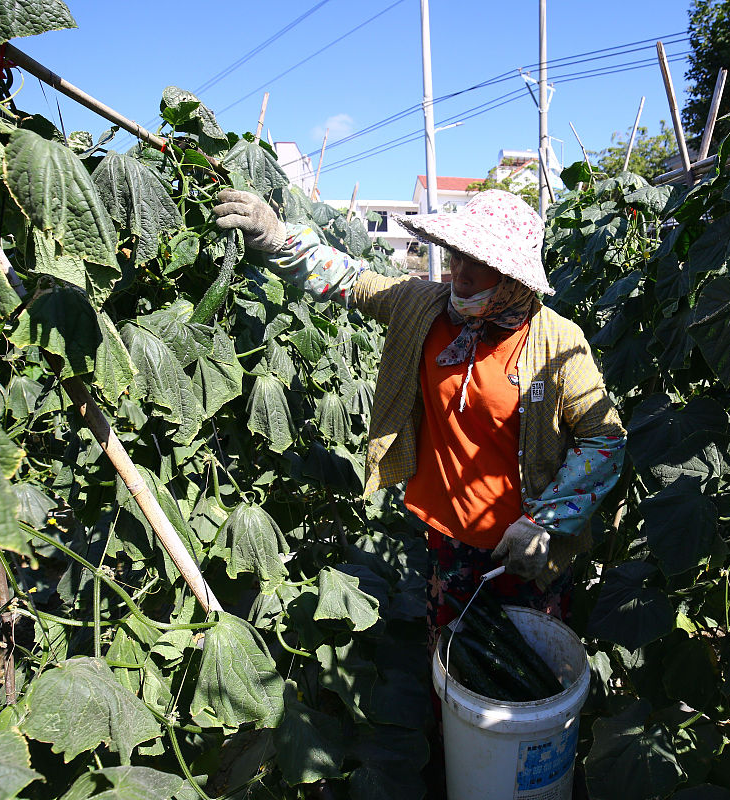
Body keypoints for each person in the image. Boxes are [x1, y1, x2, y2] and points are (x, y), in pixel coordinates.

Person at [212, 187, 625, 632]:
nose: (460, 271)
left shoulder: (557, 341)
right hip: (446, 534)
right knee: (450, 655)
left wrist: (544, 523)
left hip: (521, 549)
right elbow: (352, 281)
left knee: (526, 671)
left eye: (478, 260)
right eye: (456, 255)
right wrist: (276, 237)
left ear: (512, 274)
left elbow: (605, 437)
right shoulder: (424, 306)